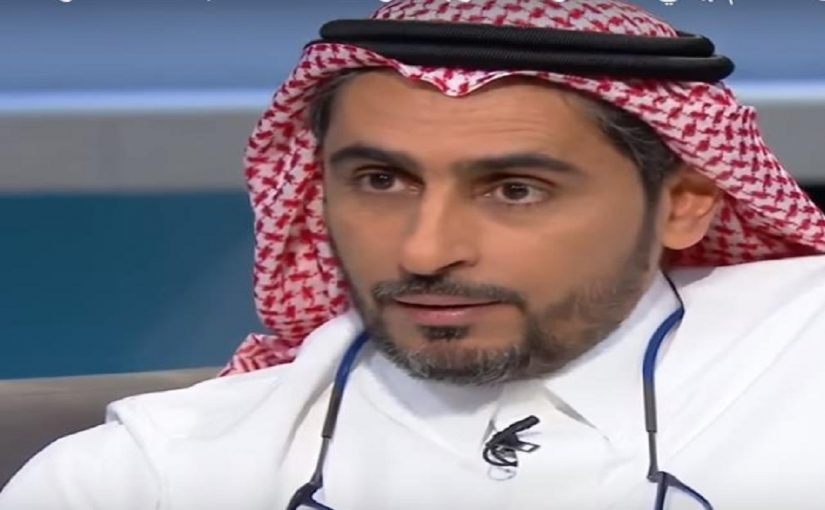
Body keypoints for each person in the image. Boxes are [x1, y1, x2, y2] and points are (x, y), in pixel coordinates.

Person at [3, 1, 825, 509]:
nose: (424, 251)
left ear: (682, 203)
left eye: (514, 190)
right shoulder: (146, 477)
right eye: (380, 181)